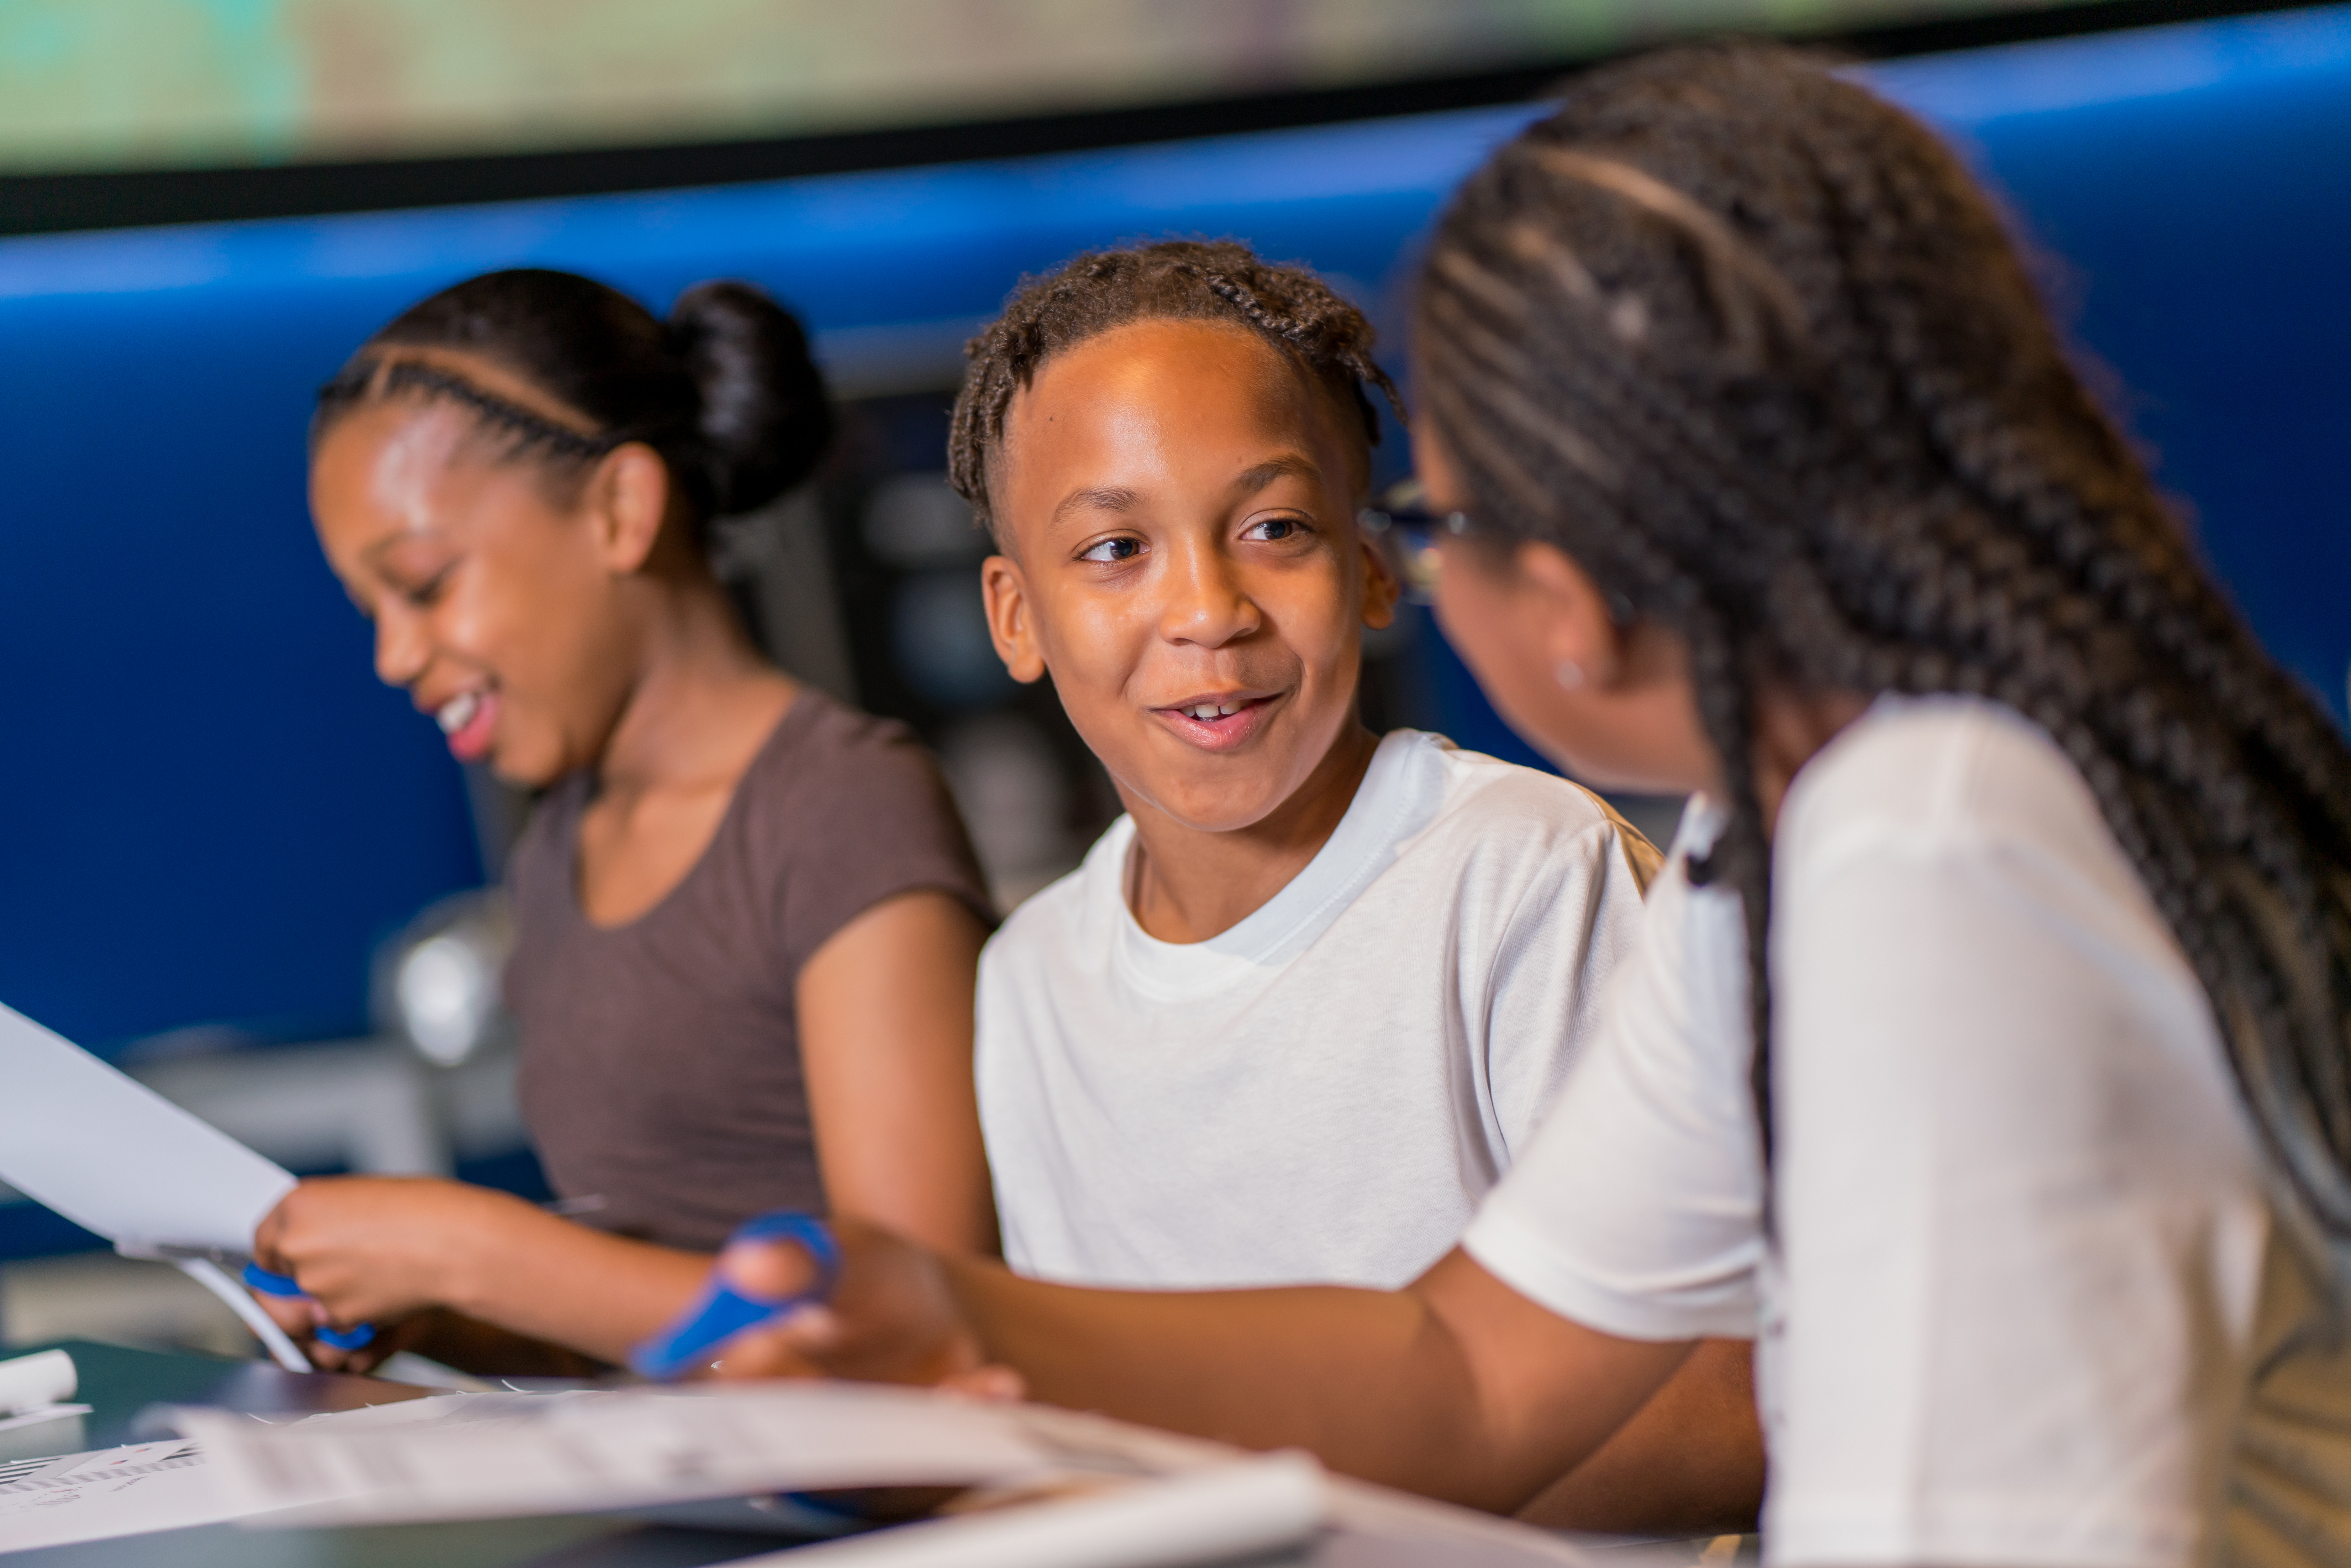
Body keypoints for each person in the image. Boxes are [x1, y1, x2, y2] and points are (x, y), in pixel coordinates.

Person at [704, 44, 2351, 1558]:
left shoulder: (1931, 843)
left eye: (1430, 520)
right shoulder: (1778, 838)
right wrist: (958, 1316)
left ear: (1565, 579)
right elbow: (1468, 1366)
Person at [254, 269, 997, 1372]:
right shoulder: (559, 849)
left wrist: (474, 1251)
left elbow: (919, 1326)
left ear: (619, 510)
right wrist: (432, 1313)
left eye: (425, 584)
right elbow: (663, 1310)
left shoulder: (840, 805)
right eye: (373, 614)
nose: (395, 657)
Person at [954, 240, 1671, 1297]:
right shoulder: (1028, 977)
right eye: (1115, 549)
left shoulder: (1523, 875)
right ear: (1017, 619)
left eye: (1274, 528)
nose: (1207, 612)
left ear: (1371, 571)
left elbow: (1700, 1381)